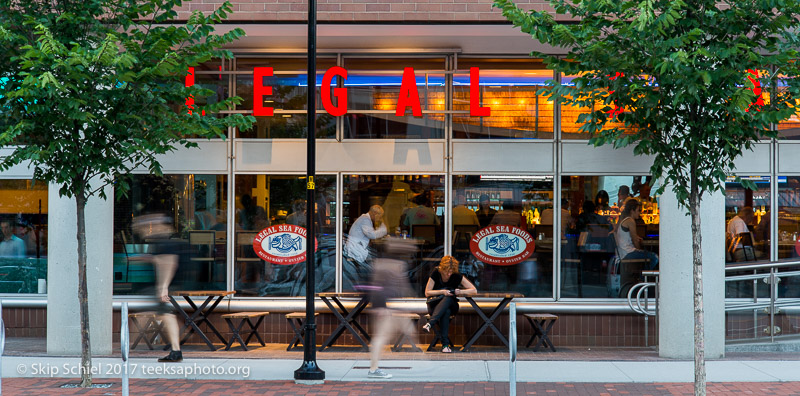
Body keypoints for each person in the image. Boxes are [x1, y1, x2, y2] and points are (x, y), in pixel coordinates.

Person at [131, 214, 185, 363]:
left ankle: (176, 348)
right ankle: (176, 348)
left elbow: (168, 263)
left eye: (150, 226)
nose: (148, 229)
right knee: (165, 314)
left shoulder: (164, 242)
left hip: (167, 284)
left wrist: (163, 287)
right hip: (168, 283)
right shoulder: (163, 242)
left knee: (161, 313)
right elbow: (160, 260)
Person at [367, 237, 418, 379]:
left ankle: (374, 367)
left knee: (384, 336)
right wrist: (380, 307)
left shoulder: (385, 263)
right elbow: (382, 287)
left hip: (387, 306)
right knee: (381, 337)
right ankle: (373, 369)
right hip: (384, 307)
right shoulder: (394, 265)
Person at [422, 256, 477, 353]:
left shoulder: (456, 275)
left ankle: (430, 323)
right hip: (435, 306)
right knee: (445, 311)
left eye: (451, 272)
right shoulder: (436, 273)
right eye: (446, 271)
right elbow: (427, 292)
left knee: (448, 298)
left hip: (452, 306)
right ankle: (445, 346)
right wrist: (442, 292)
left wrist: (459, 292)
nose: (449, 274)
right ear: (441, 268)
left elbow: (474, 290)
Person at [614, 199, 659, 270]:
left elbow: (632, 237)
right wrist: (639, 250)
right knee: (655, 257)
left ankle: (643, 275)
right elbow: (635, 240)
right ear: (632, 211)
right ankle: (643, 277)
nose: (639, 213)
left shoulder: (625, 220)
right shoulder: (630, 221)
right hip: (628, 252)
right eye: (638, 211)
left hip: (623, 253)